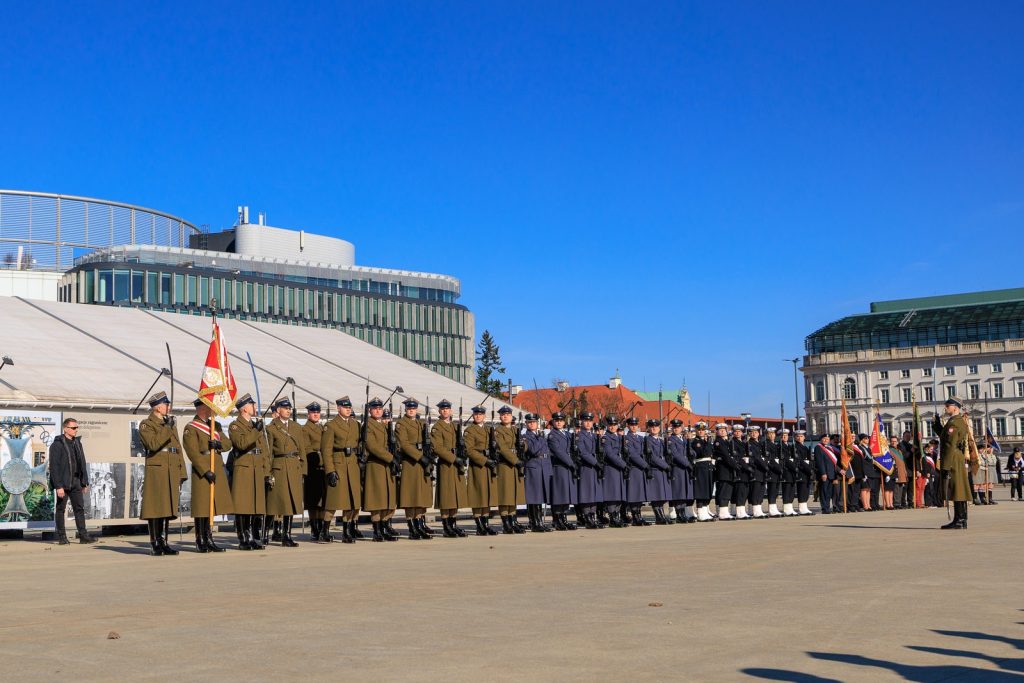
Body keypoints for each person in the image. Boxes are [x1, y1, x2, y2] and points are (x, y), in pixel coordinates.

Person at [138, 391, 188, 556]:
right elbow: (153, 444)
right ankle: (155, 543)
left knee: (167, 507)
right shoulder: (146, 424)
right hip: (158, 469)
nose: (169, 407)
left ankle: (164, 542)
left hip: (171, 468)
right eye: (166, 404)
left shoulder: (169, 424)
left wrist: (182, 471)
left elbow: (177, 448)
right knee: (155, 507)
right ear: (158, 407)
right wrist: (167, 427)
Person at [182, 398, 234, 552]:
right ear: (202, 407)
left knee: (212, 506)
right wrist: (205, 470)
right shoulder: (191, 427)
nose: (213, 409)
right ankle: (200, 540)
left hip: (216, 466)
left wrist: (218, 444)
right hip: (203, 470)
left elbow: (228, 444)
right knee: (202, 507)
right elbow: (192, 452)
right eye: (210, 405)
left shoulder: (215, 426)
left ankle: (209, 538)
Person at [228, 393, 269, 550]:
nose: (255, 407)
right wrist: (255, 431)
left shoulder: (254, 426)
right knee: (243, 506)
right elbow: (241, 443)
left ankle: (253, 537)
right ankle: (243, 538)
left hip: (257, 468)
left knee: (255, 506)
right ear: (244, 408)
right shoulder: (235, 426)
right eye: (252, 404)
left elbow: (263, 450)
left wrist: (266, 471)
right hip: (244, 469)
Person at [265, 397, 308, 547]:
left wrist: (303, 469)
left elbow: (302, 449)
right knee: (275, 503)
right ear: (278, 410)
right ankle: (265, 533)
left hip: (294, 467)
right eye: (285, 408)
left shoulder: (296, 427)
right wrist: (268, 473)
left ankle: (286, 536)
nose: (288, 411)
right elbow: (268, 453)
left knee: (291, 502)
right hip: (279, 467)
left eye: (290, 408)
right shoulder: (271, 428)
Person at [321, 396, 364, 543]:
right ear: (338, 408)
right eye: (345, 407)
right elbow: (326, 450)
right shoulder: (331, 425)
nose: (348, 409)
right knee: (333, 501)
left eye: (349, 407)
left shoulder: (356, 424)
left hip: (352, 464)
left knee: (351, 501)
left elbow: (360, 444)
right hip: (338, 464)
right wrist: (330, 471)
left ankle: (347, 532)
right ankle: (324, 531)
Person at [48, 417, 96, 545]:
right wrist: (58, 486)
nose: (76, 430)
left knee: (79, 508)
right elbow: (54, 467)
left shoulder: (77, 443)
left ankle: (83, 536)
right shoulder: (57, 445)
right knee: (61, 509)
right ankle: (62, 537)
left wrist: (84, 482)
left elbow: (82, 463)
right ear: (65, 429)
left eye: (77, 427)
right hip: (63, 483)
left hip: (76, 481)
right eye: (73, 428)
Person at [395, 398, 435, 540]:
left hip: (422, 464)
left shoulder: (421, 423)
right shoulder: (401, 424)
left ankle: (419, 526)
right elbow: (404, 444)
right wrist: (420, 457)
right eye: (409, 408)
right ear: (406, 409)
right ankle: (412, 528)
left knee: (420, 497)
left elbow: (429, 442)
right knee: (410, 497)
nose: (411, 410)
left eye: (413, 408)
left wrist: (430, 453)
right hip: (411, 463)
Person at [362, 397, 399, 541]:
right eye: (375, 409)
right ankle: (377, 531)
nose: (378, 411)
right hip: (376, 465)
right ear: (370, 410)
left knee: (387, 499)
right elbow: (372, 446)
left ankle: (384, 528)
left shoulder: (384, 426)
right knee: (377, 500)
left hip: (386, 466)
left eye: (380, 408)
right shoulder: (368, 425)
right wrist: (391, 458)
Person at [432, 399, 469, 537]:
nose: (445, 411)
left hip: (457, 465)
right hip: (446, 464)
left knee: (455, 497)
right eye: (442, 409)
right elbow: (438, 448)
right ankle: (446, 527)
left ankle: (453, 525)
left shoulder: (455, 426)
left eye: (447, 409)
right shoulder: (437, 427)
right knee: (446, 497)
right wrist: (454, 458)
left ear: (451, 411)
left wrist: (463, 454)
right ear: (439, 411)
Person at [935, 398, 972, 529]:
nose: (945, 408)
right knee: (958, 489)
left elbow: (950, 444)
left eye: (948, 406)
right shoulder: (953, 421)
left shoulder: (955, 423)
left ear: (955, 407)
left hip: (953, 458)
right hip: (955, 457)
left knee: (958, 489)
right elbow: (945, 437)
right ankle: (961, 519)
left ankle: (960, 520)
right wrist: (937, 425)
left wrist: (946, 465)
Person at [464, 405, 498, 535]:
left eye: (481, 414)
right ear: (473, 415)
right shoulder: (470, 430)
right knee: (478, 496)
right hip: (478, 466)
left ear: (485, 416)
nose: (478, 416)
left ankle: (486, 524)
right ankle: (479, 526)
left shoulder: (489, 430)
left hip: (489, 466)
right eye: (476, 414)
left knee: (487, 496)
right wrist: (484, 460)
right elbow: (469, 450)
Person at [493, 406, 526, 533]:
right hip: (505, 465)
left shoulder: (515, 430)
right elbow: (502, 448)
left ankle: (512, 521)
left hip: (515, 467)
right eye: (503, 415)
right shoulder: (498, 431)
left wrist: (523, 445)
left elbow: (524, 445)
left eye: (507, 414)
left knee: (513, 495)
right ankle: (506, 523)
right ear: (500, 417)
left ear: (511, 416)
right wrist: (516, 461)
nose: (505, 416)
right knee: (505, 495)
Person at [301, 402, 329, 542]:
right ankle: (314, 529)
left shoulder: (323, 428)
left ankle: (322, 528)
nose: (316, 414)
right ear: (308, 414)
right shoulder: (305, 429)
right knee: (313, 502)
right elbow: (307, 449)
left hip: (324, 468)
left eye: (317, 412)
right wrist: (322, 455)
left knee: (323, 501)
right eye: (313, 412)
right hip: (313, 467)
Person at [547, 412, 579, 530]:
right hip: (559, 467)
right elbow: (558, 452)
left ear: (564, 422)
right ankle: (557, 520)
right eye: (557, 420)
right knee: (559, 494)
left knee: (566, 494)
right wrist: (571, 463)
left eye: (561, 420)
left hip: (567, 468)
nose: (559, 422)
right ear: (553, 422)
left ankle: (564, 519)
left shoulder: (567, 434)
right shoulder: (552, 435)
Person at [522, 413, 553, 532]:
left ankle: (539, 522)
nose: (532, 424)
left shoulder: (540, 435)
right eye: (529, 422)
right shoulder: (525, 436)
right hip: (533, 467)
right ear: (526, 424)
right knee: (534, 496)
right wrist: (540, 438)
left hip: (543, 466)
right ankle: (535, 523)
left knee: (540, 496)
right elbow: (533, 450)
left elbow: (547, 452)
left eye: (534, 422)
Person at [574, 412, 604, 529]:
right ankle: (587, 518)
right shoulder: (579, 436)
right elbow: (583, 453)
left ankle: (593, 516)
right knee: (587, 493)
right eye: (585, 421)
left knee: (594, 493)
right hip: (586, 467)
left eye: (590, 421)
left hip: (595, 468)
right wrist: (596, 462)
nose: (588, 423)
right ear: (581, 422)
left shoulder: (594, 436)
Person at [600, 416, 628, 527]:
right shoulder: (606, 438)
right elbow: (610, 454)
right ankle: (613, 518)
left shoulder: (619, 437)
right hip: (611, 468)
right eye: (610, 425)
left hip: (619, 469)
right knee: (612, 494)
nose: (612, 427)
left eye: (614, 425)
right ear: (607, 425)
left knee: (619, 494)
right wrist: (624, 464)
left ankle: (617, 517)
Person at [644, 419, 672, 525]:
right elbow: (652, 457)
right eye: (652, 427)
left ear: (659, 428)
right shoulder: (647, 440)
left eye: (656, 427)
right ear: (649, 428)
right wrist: (665, 465)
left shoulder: (661, 441)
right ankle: (658, 516)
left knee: (662, 495)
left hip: (662, 470)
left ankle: (662, 514)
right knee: (656, 495)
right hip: (655, 469)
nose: (654, 428)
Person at [667, 419, 695, 523]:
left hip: (685, 469)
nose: (676, 429)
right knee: (678, 491)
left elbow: (691, 452)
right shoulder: (671, 440)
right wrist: (688, 464)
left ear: (681, 428)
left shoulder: (684, 439)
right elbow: (675, 455)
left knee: (684, 491)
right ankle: (679, 514)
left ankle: (683, 513)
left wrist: (692, 453)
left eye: (678, 427)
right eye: (674, 427)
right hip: (678, 468)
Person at [623, 417, 650, 525]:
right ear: (628, 426)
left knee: (640, 494)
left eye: (635, 425)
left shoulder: (641, 438)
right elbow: (632, 454)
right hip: (634, 468)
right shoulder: (626, 438)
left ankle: (639, 516)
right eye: (631, 425)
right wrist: (645, 465)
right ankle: (635, 517)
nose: (634, 427)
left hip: (641, 469)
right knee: (634, 494)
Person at [690, 422, 715, 522]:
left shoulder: (705, 441)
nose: (701, 432)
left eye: (703, 430)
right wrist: (707, 443)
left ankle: (705, 512)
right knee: (701, 491)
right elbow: (702, 453)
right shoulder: (696, 442)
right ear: (696, 431)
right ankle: (700, 513)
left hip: (707, 467)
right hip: (700, 468)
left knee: (707, 490)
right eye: (699, 430)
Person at [713, 423, 735, 520]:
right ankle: (722, 512)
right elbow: (726, 456)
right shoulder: (718, 442)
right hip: (723, 469)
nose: (722, 431)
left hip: (728, 469)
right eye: (720, 430)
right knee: (723, 491)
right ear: (717, 431)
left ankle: (724, 511)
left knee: (727, 490)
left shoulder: (726, 441)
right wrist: (735, 465)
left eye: (724, 430)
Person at [746, 425, 767, 518]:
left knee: (761, 490)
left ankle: (758, 508)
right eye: (751, 432)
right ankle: (755, 510)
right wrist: (765, 465)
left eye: (755, 432)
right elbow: (755, 458)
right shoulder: (749, 444)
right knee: (755, 490)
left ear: (758, 433)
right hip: (755, 469)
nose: (753, 434)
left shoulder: (761, 444)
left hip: (762, 470)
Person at [731, 425, 752, 519]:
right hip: (740, 469)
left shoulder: (743, 443)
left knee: (744, 491)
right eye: (736, 431)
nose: (737, 433)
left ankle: (742, 510)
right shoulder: (733, 443)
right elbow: (737, 457)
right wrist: (746, 466)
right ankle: (739, 512)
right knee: (740, 491)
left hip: (745, 470)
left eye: (739, 431)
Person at [814, 433, 837, 514]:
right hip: (825, 474)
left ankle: (827, 507)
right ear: (821, 439)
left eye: (827, 439)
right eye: (824, 439)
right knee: (823, 491)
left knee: (828, 492)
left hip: (831, 473)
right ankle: (824, 508)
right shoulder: (818, 447)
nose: (826, 440)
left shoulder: (829, 448)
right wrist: (823, 473)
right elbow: (820, 462)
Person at [794, 430, 815, 515]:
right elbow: (799, 461)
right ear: (795, 438)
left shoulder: (805, 447)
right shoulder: (795, 447)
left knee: (806, 490)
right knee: (802, 490)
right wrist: (808, 469)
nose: (799, 438)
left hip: (807, 472)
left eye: (801, 436)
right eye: (798, 436)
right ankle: (801, 508)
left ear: (804, 437)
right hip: (802, 471)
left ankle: (804, 507)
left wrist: (811, 468)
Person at [765, 427, 783, 518]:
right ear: (766, 435)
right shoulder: (766, 445)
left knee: (775, 490)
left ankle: (774, 507)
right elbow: (769, 459)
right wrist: (777, 468)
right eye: (769, 434)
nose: (771, 435)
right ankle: (771, 509)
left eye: (773, 433)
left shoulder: (775, 445)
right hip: (772, 470)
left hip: (777, 470)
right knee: (772, 490)